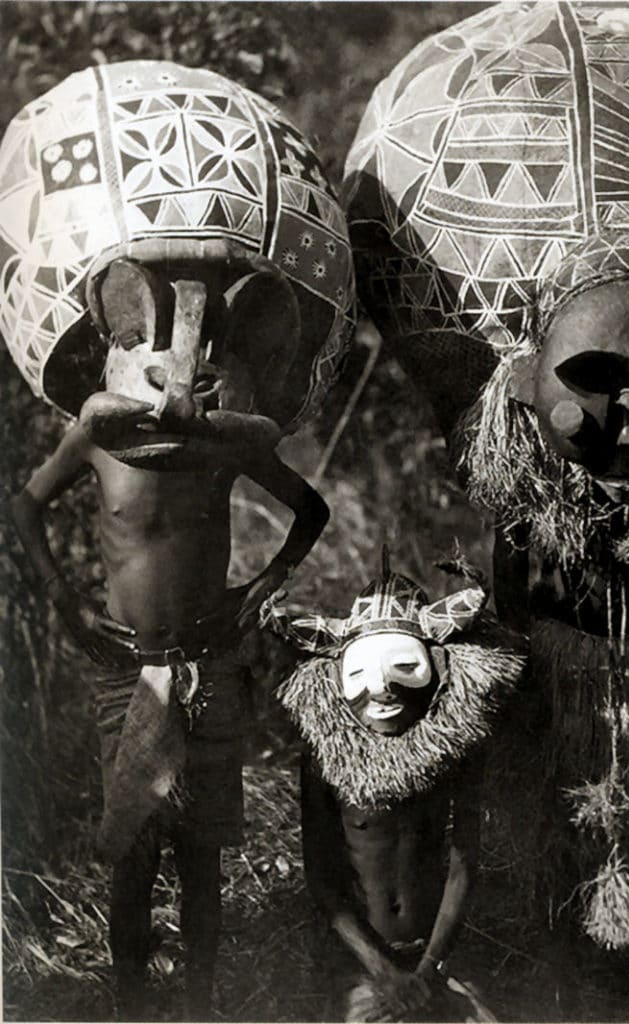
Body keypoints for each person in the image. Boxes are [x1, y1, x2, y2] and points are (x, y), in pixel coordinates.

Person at [10, 258, 329, 1020]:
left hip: (205, 660)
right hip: (122, 661)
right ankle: (129, 1000)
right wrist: (65, 603)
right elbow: (25, 507)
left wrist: (260, 588)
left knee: (200, 849)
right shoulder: (95, 439)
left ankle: (197, 1002)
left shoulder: (228, 446)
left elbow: (309, 509)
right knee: (133, 846)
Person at [264, 552, 525, 1021]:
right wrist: (382, 972)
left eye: (402, 667)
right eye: (362, 673)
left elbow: (463, 869)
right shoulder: (328, 757)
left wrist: (428, 969)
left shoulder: (451, 750)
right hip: (364, 965)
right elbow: (324, 882)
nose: (381, 689)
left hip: (437, 957)